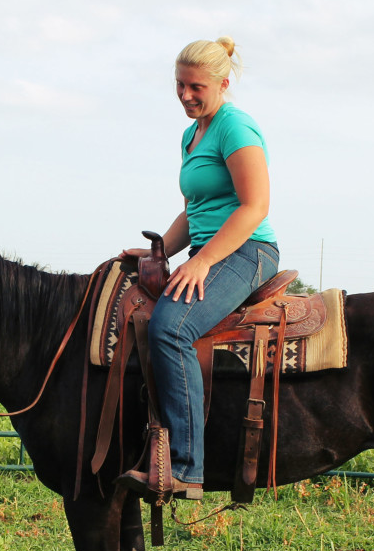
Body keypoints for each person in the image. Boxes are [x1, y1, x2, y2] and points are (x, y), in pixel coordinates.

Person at [117, 36, 279, 501]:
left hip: (248, 250)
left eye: (196, 87)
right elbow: (195, 212)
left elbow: (254, 206)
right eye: (179, 86)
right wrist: (159, 252)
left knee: (170, 327)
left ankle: (186, 467)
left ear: (223, 83)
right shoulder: (192, 135)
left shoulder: (236, 128)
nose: (186, 95)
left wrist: (204, 261)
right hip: (210, 249)